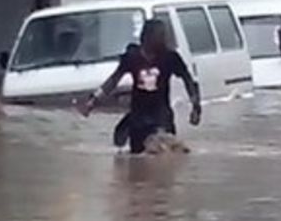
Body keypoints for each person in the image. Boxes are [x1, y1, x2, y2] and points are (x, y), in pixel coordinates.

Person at [80, 19, 202, 154]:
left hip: (161, 116)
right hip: (138, 118)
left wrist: (196, 105)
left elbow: (188, 79)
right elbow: (114, 80)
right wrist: (94, 100)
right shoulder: (132, 57)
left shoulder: (170, 57)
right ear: (148, 37)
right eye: (160, 36)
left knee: (163, 151)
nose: (164, 39)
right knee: (138, 157)